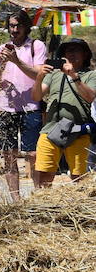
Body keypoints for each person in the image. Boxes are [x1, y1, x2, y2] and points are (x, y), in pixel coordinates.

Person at [0, 11, 46, 201]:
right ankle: (16, 200)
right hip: (4, 107)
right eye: (11, 26)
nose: (14, 30)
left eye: (18, 26)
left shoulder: (36, 46)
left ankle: (39, 196)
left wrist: (16, 61)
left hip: (31, 106)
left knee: (33, 153)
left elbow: (38, 74)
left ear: (26, 27)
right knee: (9, 155)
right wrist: (2, 65)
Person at [32, 37, 96, 187]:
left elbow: (90, 97)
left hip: (79, 131)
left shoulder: (91, 75)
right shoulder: (54, 74)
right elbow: (36, 96)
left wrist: (73, 76)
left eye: (76, 50)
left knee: (80, 178)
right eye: (68, 50)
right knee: (44, 175)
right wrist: (39, 77)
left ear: (85, 54)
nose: (71, 53)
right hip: (51, 130)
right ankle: (43, 205)